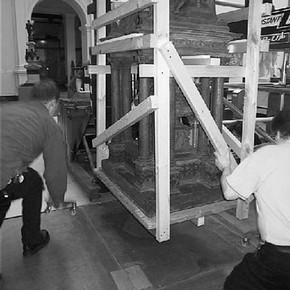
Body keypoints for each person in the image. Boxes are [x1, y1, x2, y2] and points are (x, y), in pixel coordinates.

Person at [215, 110, 290, 289]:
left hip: (279, 258)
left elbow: (229, 192)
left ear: (278, 133)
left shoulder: (268, 154)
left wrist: (225, 167)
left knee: (235, 285)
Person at [0, 79, 73, 256]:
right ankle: (32, 240)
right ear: (52, 103)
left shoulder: (7, 108)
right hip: (3, 177)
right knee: (28, 183)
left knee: (27, 179)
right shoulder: (49, 126)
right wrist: (57, 200)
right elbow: (55, 171)